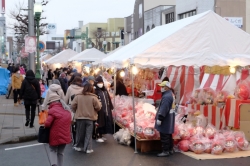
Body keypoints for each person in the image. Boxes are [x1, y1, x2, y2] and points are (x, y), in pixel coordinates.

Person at [71, 83, 101, 153]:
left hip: (80, 118)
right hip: (90, 118)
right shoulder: (94, 97)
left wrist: (77, 111)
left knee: (80, 133)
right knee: (88, 134)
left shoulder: (78, 96)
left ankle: (79, 146)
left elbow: (73, 106)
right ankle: (88, 148)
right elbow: (98, 107)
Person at [44, 90, 71, 166]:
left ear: (51, 102)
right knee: (61, 152)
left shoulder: (52, 111)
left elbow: (47, 124)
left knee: (52, 150)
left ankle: (54, 164)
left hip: (55, 135)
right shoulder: (66, 110)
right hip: (65, 135)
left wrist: (44, 123)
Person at [155, 81, 175, 157]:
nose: (161, 88)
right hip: (170, 117)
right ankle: (170, 149)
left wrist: (160, 118)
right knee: (169, 134)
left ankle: (165, 150)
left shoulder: (166, 96)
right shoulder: (171, 94)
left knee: (164, 135)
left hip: (166, 118)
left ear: (166, 87)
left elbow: (164, 108)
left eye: (162, 87)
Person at [94, 76, 114, 142]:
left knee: (105, 121)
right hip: (99, 110)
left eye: (101, 82)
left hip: (106, 108)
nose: (100, 84)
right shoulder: (95, 91)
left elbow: (108, 99)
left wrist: (111, 106)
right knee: (99, 122)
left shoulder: (104, 90)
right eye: (99, 82)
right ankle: (98, 135)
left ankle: (102, 134)